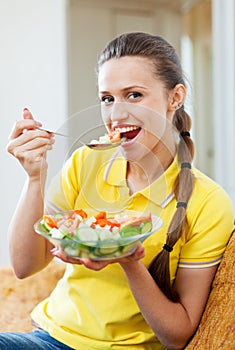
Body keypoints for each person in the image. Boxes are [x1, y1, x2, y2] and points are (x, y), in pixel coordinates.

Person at [3, 32, 234, 350]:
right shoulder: (87, 161)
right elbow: (25, 266)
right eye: (107, 99)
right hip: (50, 337)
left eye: (134, 95)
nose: (116, 114)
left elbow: (177, 335)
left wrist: (128, 259)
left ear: (175, 97)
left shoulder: (208, 203)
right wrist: (34, 178)